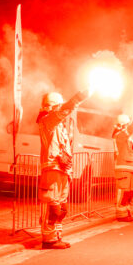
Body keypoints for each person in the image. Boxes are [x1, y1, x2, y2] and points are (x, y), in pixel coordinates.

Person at [36, 90, 92, 249]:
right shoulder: (47, 120)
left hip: (62, 170)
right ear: (51, 106)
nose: (61, 108)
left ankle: (56, 236)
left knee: (61, 207)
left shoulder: (59, 125)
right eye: (59, 105)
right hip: (52, 169)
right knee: (51, 205)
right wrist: (81, 95)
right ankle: (48, 239)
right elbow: (65, 110)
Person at [113, 114, 133, 222]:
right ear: (123, 125)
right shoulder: (120, 136)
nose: (128, 126)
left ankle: (126, 212)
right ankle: (121, 214)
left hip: (129, 169)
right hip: (123, 169)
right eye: (127, 124)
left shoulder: (127, 138)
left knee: (129, 192)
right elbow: (130, 129)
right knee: (124, 192)